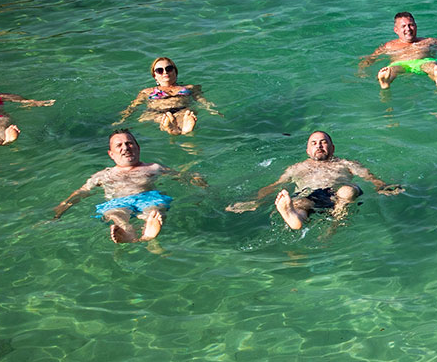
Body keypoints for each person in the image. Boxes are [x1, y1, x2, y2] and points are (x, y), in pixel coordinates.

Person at [52, 129, 206, 244]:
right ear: (111, 154)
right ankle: (129, 234)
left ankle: (147, 234)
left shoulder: (153, 168)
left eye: (129, 143)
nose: (125, 147)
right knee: (115, 215)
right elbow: (83, 191)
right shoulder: (102, 175)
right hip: (118, 202)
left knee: (155, 212)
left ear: (138, 147)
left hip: (148, 198)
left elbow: (180, 176)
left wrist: (197, 182)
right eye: (119, 145)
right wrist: (60, 210)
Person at [225, 131, 403, 229]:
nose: (319, 145)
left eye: (323, 142)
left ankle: (336, 219)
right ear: (308, 151)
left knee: (347, 191)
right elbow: (274, 186)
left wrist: (383, 186)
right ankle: (294, 218)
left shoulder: (346, 163)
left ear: (332, 147)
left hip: (336, 196)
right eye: (314, 143)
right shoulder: (297, 168)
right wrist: (256, 201)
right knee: (299, 203)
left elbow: (369, 177)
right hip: (309, 197)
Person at [359, 12, 437, 88]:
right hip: (400, 63)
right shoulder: (389, 46)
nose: (408, 29)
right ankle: (386, 81)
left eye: (411, 25)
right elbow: (371, 58)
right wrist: (362, 69)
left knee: (431, 66)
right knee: (393, 69)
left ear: (416, 26)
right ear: (396, 30)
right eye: (404, 26)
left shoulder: (428, 41)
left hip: (423, 61)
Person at [117, 56, 219, 135]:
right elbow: (133, 107)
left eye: (169, 68)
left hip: (181, 110)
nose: (165, 72)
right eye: (160, 70)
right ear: (155, 76)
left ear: (175, 71)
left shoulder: (190, 88)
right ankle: (174, 129)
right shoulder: (146, 92)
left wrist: (212, 109)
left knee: (187, 114)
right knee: (159, 118)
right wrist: (123, 119)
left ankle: (178, 129)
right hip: (156, 112)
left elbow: (202, 100)